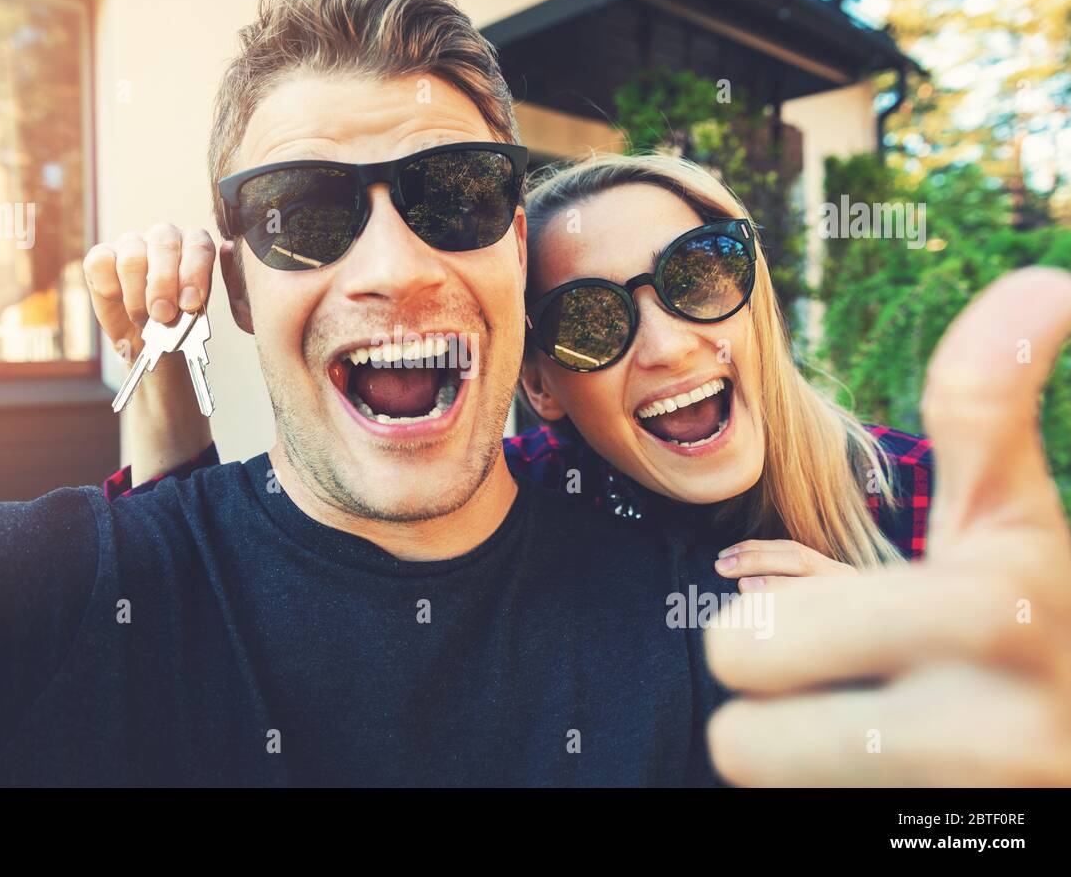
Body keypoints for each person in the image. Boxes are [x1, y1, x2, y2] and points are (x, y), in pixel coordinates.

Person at [0, 0, 1071, 788]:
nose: (393, 265)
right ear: (237, 283)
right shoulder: (44, 590)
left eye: (455, 195)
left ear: (515, 246)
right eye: (302, 213)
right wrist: (157, 395)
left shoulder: (726, 612)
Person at [99, 154, 934, 600]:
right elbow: (200, 595)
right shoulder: (519, 515)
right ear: (539, 387)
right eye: (588, 322)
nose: (671, 348)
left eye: (699, 274)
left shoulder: (931, 494)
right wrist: (163, 354)